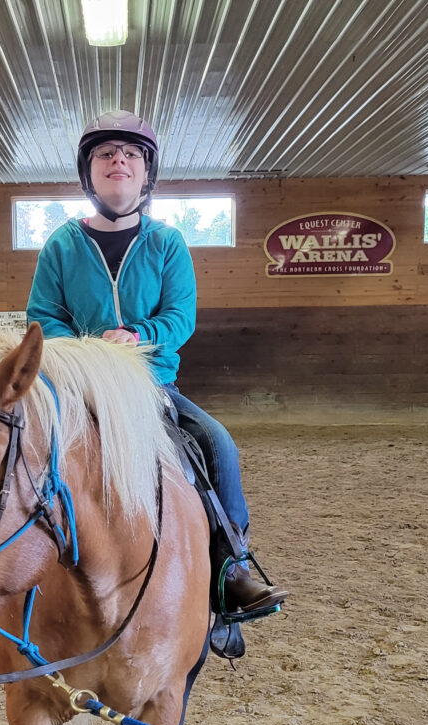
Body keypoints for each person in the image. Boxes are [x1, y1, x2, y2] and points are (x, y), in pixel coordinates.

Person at [27, 109, 288, 617]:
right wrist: (89, 349)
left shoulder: (167, 242)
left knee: (218, 444)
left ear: (146, 173)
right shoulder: (60, 245)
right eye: (106, 153)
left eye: (130, 154)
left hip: (150, 387)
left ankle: (232, 570)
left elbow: (179, 316)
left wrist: (138, 335)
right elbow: (44, 318)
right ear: (89, 171)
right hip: (82, 387)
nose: (118, 160)